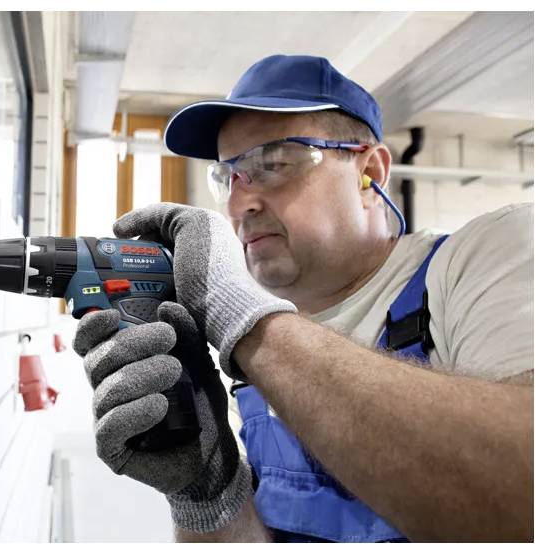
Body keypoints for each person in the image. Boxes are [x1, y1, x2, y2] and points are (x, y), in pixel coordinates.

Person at [72, 55, 533, 542]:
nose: (237, 203)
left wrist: (246, 323)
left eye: (271, 164)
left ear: (369, 172)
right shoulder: (248, 372)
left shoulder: (489, 253)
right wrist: (205, 497)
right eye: (226, 177)